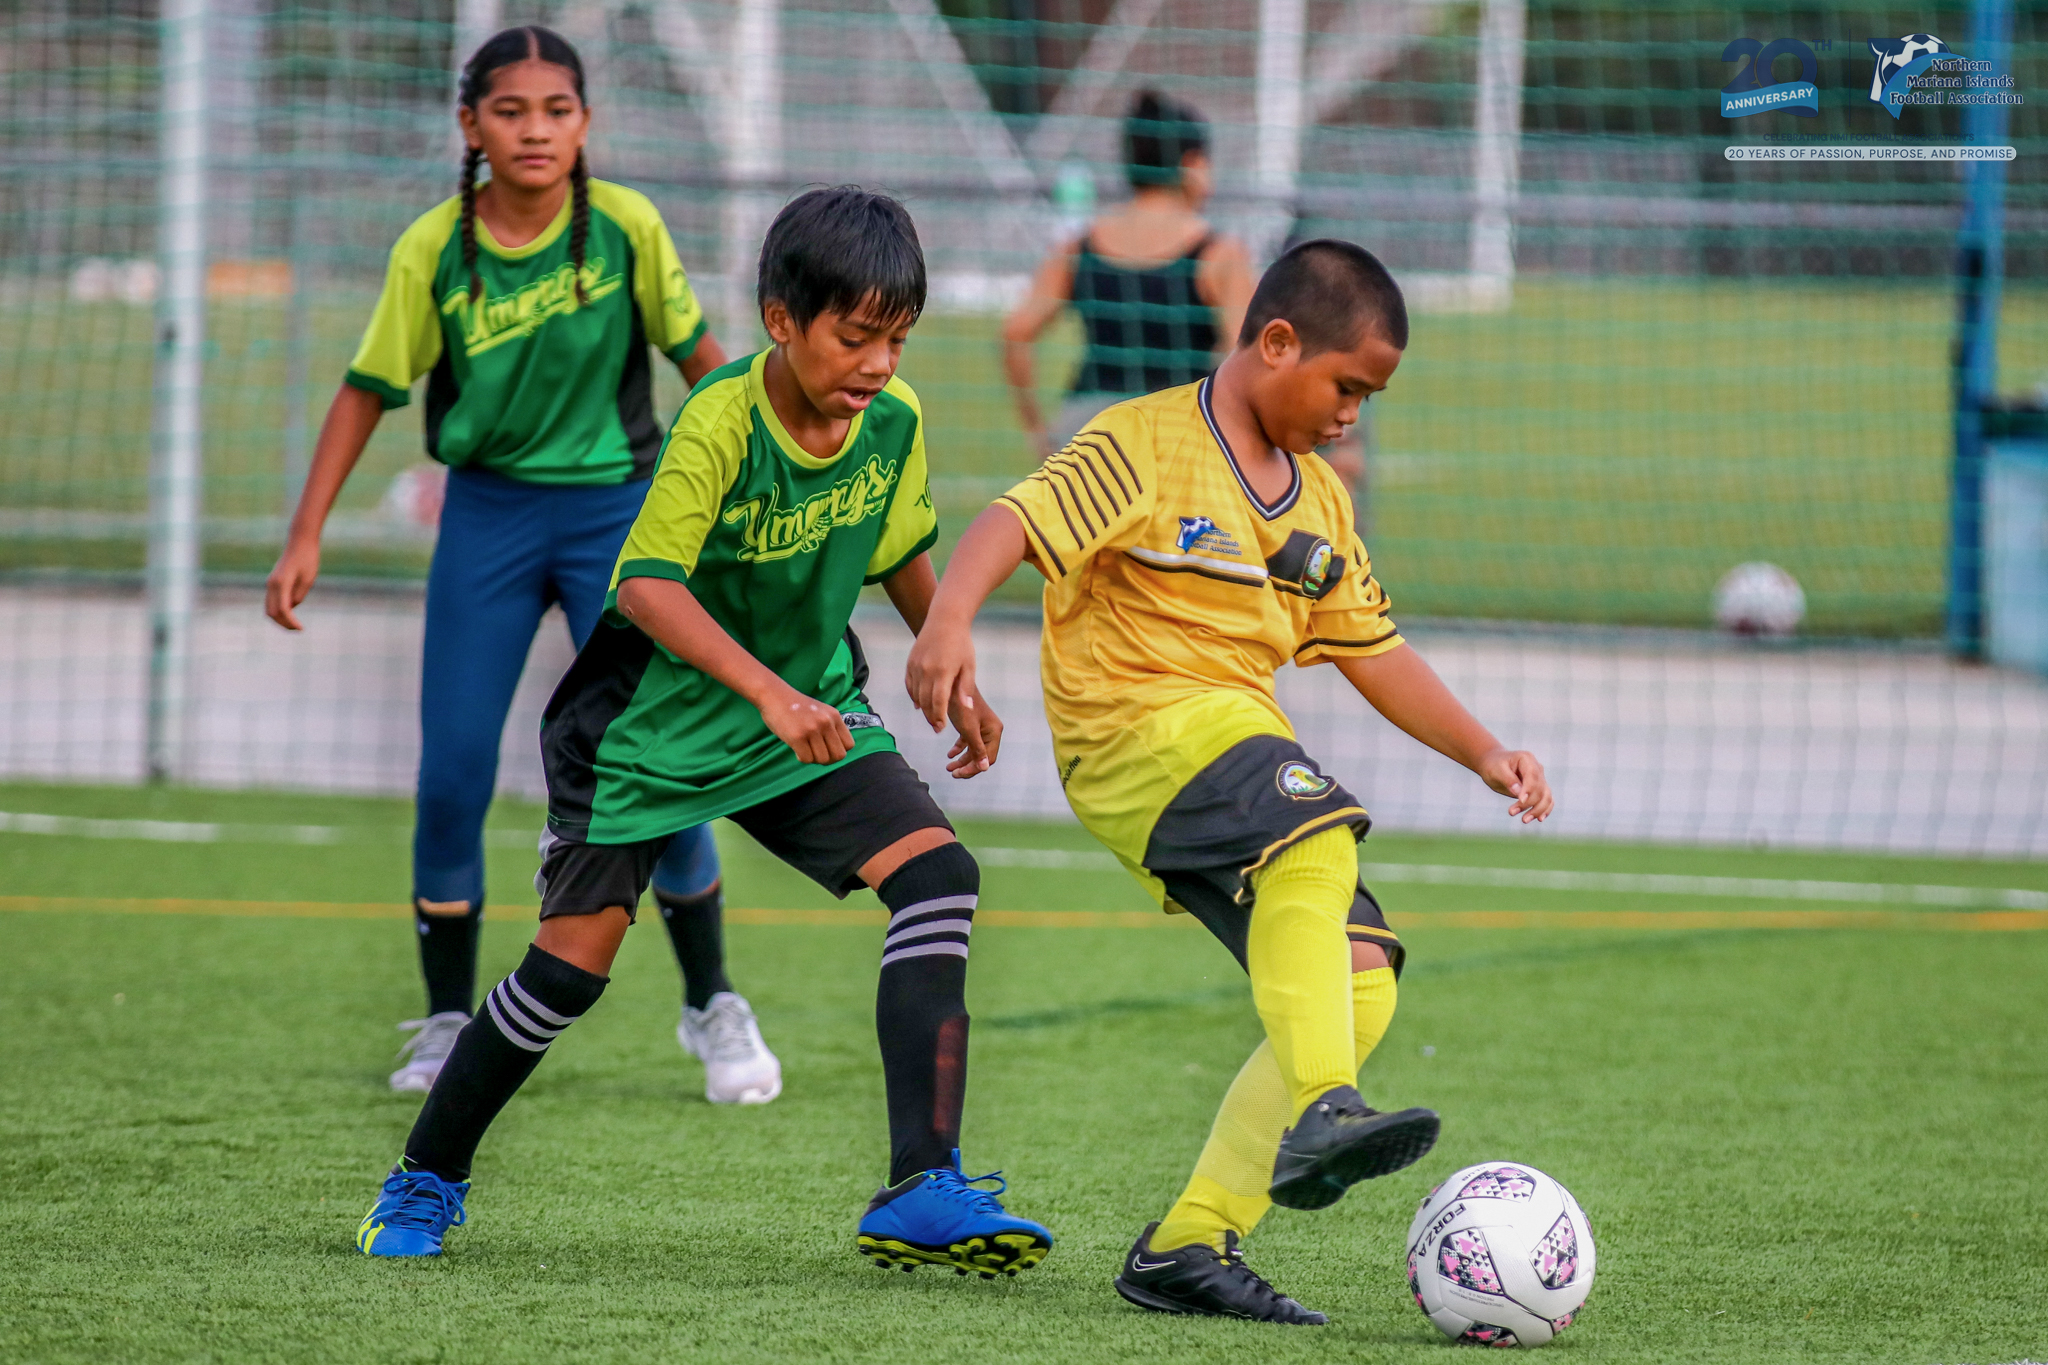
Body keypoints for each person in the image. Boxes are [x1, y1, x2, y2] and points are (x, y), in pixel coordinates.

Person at [353, 186, 1055, 1276]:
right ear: (782, 320)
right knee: (568, 972)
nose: (876, 363)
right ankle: (425, 1178)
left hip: (804, 713)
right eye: (854, 336)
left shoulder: (895, 421)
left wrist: (945, 654)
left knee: (937, 876)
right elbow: (644, 587)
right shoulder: (720, 419)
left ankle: (923, 1183)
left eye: (896, 338)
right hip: (647, 730)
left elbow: (900, 547)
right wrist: (767, 694)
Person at [906, 240, 1554, 1322]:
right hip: (1129, 735)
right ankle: (1325, 1107)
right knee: (1315, 830)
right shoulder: (1144, 441)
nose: (1353, 415)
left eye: (1370, 396)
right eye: (1346, 386)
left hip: (1225, 747)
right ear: (1275, 342)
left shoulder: (1319, 507)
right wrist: (947, 620)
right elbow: (1012, 521)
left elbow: (1370, 648)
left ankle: (1189, 1241)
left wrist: (1485, 750)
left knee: (1360, 976)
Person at [263, 27, 781, 1107]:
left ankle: (712, 1005)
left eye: (556, 109)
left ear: (584, 123)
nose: (534, 129)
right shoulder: (433, 250)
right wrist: (305, 531)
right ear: (470, 126)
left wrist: (760, 480)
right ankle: (448, 1017)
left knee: (658, 765)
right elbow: (367, 387)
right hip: (488, 523)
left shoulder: (628, 226)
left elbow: (706, 367)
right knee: (451, 774)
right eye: (510, 110)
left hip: (618, 524)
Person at [1001, 90, 1254, 459]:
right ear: (1192, 164)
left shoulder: (1080, 246)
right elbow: (1244, 356)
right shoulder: (1219, 255)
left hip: (1088, 434)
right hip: (1174, 437)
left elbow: (1015, 333)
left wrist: (1041, 433)